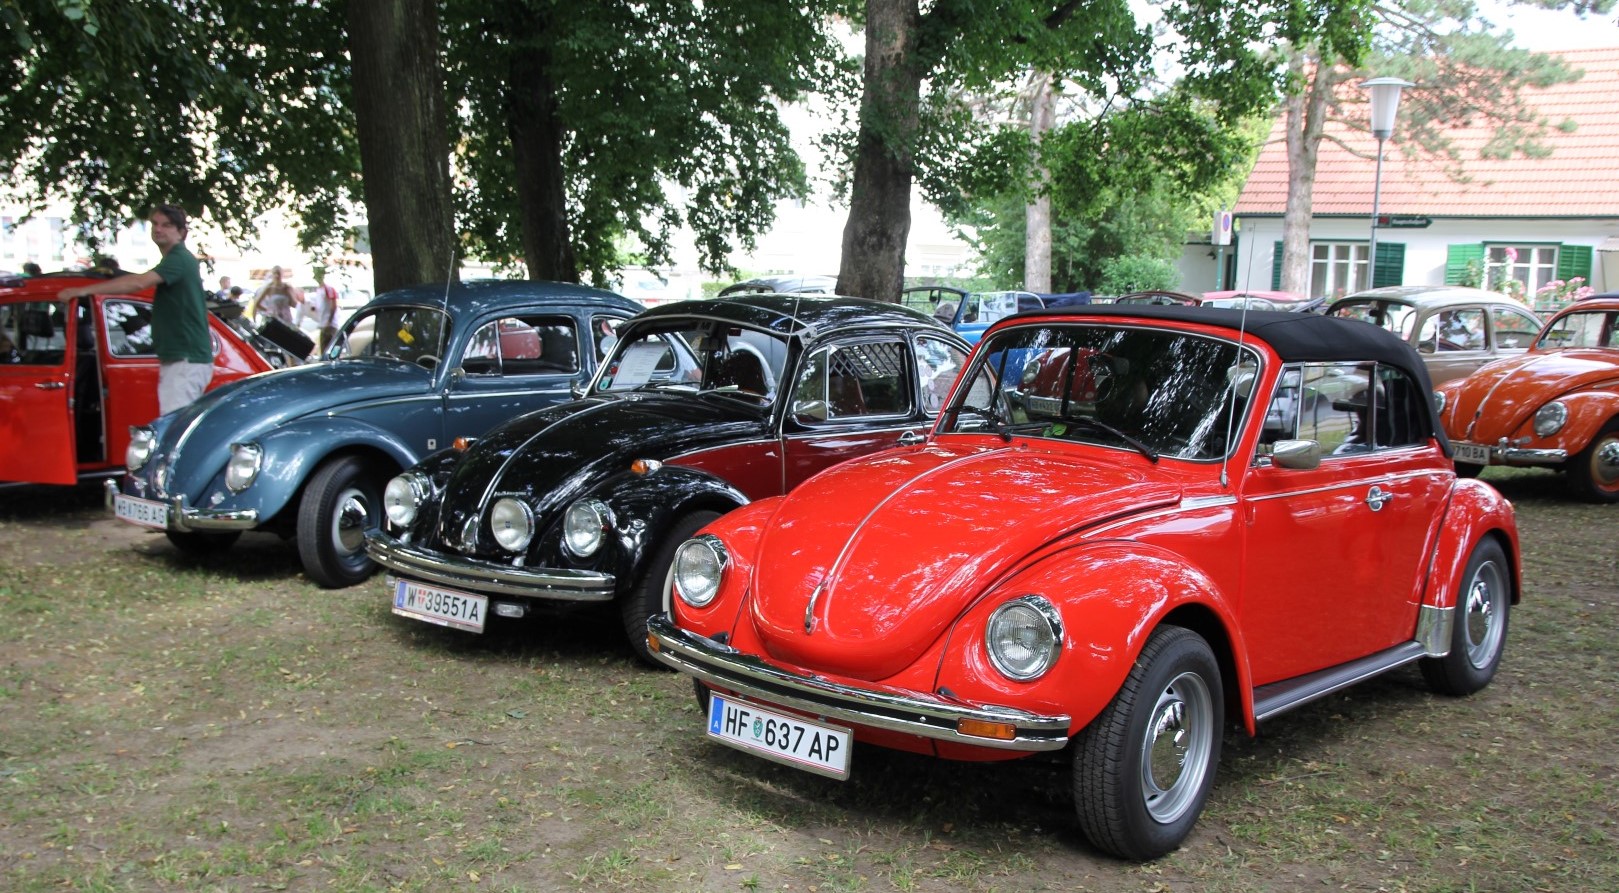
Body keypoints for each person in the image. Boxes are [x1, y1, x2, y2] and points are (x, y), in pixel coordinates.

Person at [56, 204, 213, 414]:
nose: (158, 229)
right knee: (173, 424)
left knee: (174, 428)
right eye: (155, 224)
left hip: (185, 359)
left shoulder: (180, 258)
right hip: (181, 357)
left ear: (181, 232)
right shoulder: (175, 261)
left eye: (166, 225)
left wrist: (82, 291)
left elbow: (138, 283)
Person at [308, 266, 340, 356]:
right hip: (323, 324)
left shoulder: (328, 289)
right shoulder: (319, 290)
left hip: (329, 325)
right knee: (324, 350)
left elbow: (333, 305)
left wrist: (329, 321)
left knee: (330, 350)